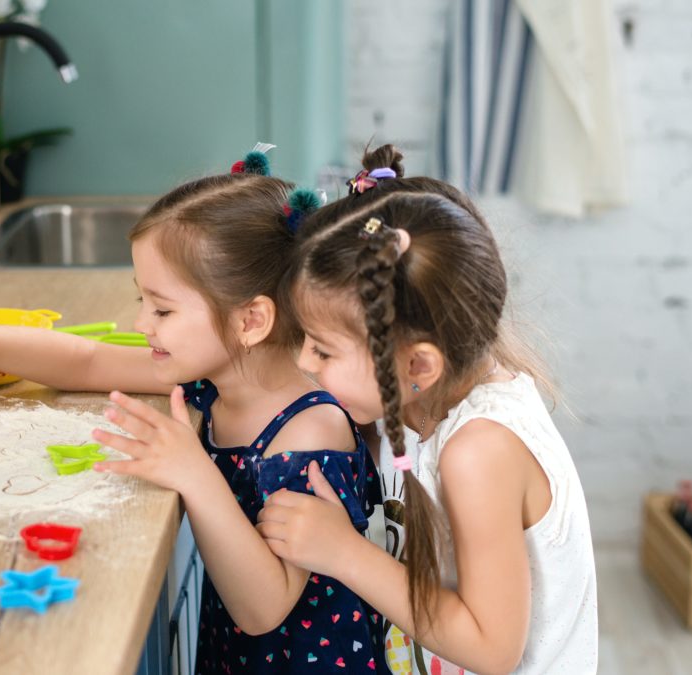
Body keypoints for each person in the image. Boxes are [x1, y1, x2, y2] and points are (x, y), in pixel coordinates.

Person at [0, 148, 389, 674]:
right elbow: (88, 360)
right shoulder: (213, 379)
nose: (142, 321)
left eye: (162, 308)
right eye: (142, 300)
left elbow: (263, 607)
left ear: (250, 320)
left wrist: (195, 474)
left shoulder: (310, 432)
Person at [256, 145, 598, 674]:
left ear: (418, 366)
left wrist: (341, 550)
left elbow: (492, 648)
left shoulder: (479, 451)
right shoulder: (426, 404)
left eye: (323, 348)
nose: (304, 360)